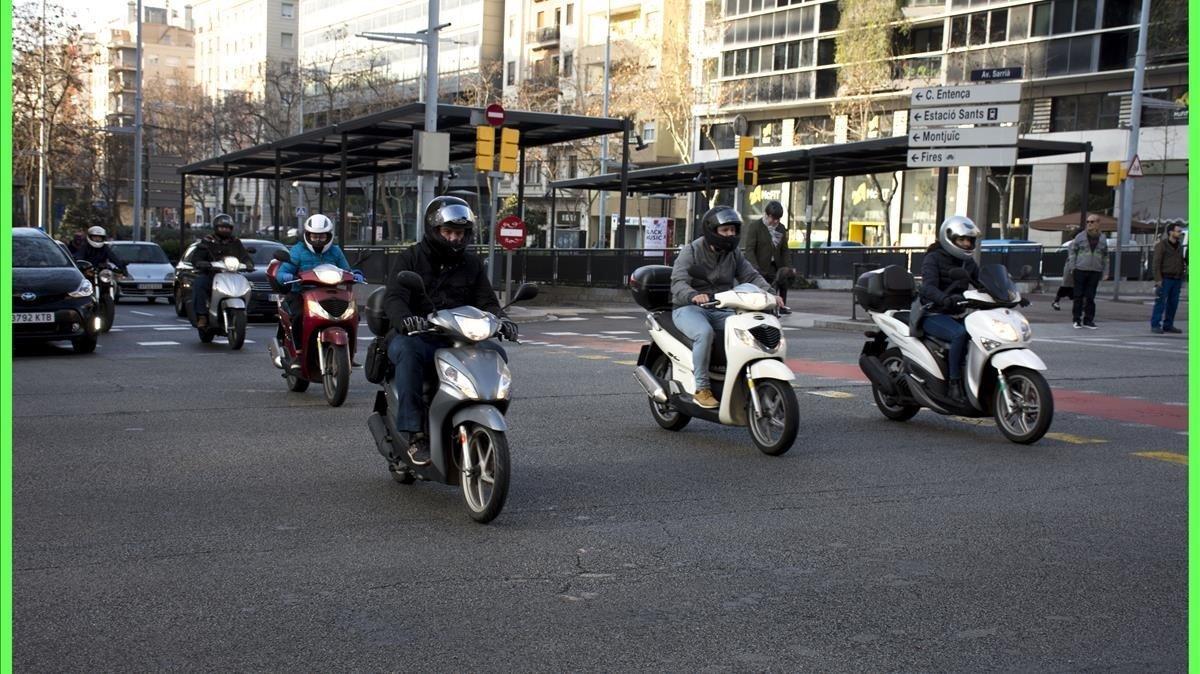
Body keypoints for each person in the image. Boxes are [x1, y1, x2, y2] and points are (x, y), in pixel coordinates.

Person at [384, 196, 518, 466]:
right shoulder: (410, 257)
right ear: (434, 230)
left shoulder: (472, 264)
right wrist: (407, 320)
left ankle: (486, 414)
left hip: (459, 338)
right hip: (418, 335)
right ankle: (415, 434)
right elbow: (394, 298)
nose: (455, 238)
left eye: (459, 233)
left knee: (496, 352)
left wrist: (501, 320)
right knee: (409, 354)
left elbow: (486, 301)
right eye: (448, 232)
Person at [670, 206, 781, 409]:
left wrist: (771, 293)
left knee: (746, 328)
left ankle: (738, 377)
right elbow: (678, 282)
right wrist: (694, 295)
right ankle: (702, 388)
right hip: (688, 308)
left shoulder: (733, 254)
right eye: (725, 230)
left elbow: (751, 276)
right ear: (712, 231)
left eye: (733, 230)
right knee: (704, 333)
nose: (731, 235)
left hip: (721, 306)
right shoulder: (692, 250)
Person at [918, 215, 981, 405]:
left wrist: (1009, 295)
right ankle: (954, 384)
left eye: (969, 240)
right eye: (962, 239)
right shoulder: (933, 258)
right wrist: (944, 299)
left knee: (981, 337)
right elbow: (927, 288)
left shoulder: (967, 263)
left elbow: (982, 283)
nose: (966, 243)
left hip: (958, 312)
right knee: (960, 335)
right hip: (933, 312)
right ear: (950, 239)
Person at [275, 214, 362, 350]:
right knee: (299, 316)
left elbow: (346, 270)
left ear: (329, 236)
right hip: (301, 292)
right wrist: (285, 276)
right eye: (314, 236)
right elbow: (283, 271)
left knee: (352, 315)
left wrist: (355, 274)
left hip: (331, 292)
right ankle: (298, 351)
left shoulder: (335, 251)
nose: (317, 240)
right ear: (307, 235)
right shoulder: (298, 250)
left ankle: (351, 350)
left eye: (322, 236)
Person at [191, 213, 253, 328]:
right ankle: (202, 315)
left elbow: (244, 256)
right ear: (216, 228)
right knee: (199, 283)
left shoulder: (235, 242)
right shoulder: (208, 241)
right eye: (222, 227)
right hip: (212, 274)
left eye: (227, 228)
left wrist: (249, 264)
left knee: (248, 286)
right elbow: (197, 257)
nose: (224, 230)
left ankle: (246, 311)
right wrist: (201, 262)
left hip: (232, 274)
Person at [741, 200, 794, 314]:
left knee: (782, 282)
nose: (775, 221)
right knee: (764, 288)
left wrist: (788, 266)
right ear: (766, 214)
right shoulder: (755, 226)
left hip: (776, 264)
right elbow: (750, 249)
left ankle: (782, 306)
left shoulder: (781, 228)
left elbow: (784, 249)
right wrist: (754, 267)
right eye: (773, 218)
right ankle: (765, 307)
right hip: (761, 265)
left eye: (778, 219)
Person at [1067, 213, 1109, 329]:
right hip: (1080, 269)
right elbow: (1072, 252)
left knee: (1090, 296)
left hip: (1095, 270)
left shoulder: (1103, 238)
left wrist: (1106, 272)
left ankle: (1088, 320)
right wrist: (1073, 267)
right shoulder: (1080, 237)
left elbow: (1105, 256)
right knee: (1078, 296)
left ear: (1098, 223)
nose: (1089, 224)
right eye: (1088, 222)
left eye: (1092, 222)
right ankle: (1076, 319)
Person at [1150, 222, 1186, 334]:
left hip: (1176, 278)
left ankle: (1168, 324)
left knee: (1173, 303)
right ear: (1171, 232)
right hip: (1165, 278)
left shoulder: (1179, 246)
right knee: (1160, 302)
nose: (1180, 233)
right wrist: (1158, 279)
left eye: (1180, 231)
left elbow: (1181, 261)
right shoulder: (1162, 245)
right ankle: (1155, 324)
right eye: (1178, 231)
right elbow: (1156, 263)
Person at [1051, 237, 1075, 311]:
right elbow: (1071, 257)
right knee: (1066, 285)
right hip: (1071, 267)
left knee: (1076, 287)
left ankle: (1081, 303)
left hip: (1079, 266)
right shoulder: (1073, 244)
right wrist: (1072, 268)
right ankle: (1056, 301)